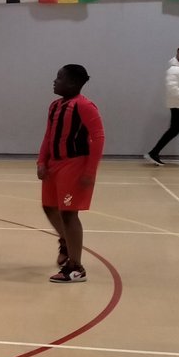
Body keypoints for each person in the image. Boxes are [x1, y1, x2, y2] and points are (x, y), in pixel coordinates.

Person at [38, 64, 105, 284]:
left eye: (59, 78)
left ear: (74, 84)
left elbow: (98, 137)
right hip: (54, 166)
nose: (54, 81)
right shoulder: (55, 106)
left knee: (69, 213)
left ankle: (76, 268)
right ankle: (66, 242)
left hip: (74, 165)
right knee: (49, 207)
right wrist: (42, 161)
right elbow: (49, 136)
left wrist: (90, 171)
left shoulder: (85, 106)